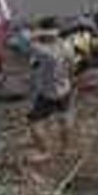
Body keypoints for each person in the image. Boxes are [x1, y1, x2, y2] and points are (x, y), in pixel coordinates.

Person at [26, 18, 75, 158]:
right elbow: (72, 67)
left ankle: (44, 151)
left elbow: (28, 40)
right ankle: (66, 149)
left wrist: (36, 34)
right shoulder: (67, 46)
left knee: (34, 121)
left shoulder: (42, 51)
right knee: (64, 118)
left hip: (47, 92)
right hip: (65, 87)